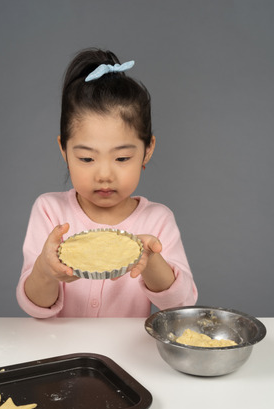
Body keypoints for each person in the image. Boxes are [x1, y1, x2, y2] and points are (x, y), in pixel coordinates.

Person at [16, 48, 198, 318]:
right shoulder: (49, 211)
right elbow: (37, 308)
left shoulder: (157, 220)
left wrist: (151, 262)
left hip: (126, 357)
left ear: (147, 150)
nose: (104, 175)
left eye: (122, 157)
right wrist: (45, 269)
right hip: (63, 353)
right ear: (64, 151)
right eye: (87, 158)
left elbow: (181, 306)